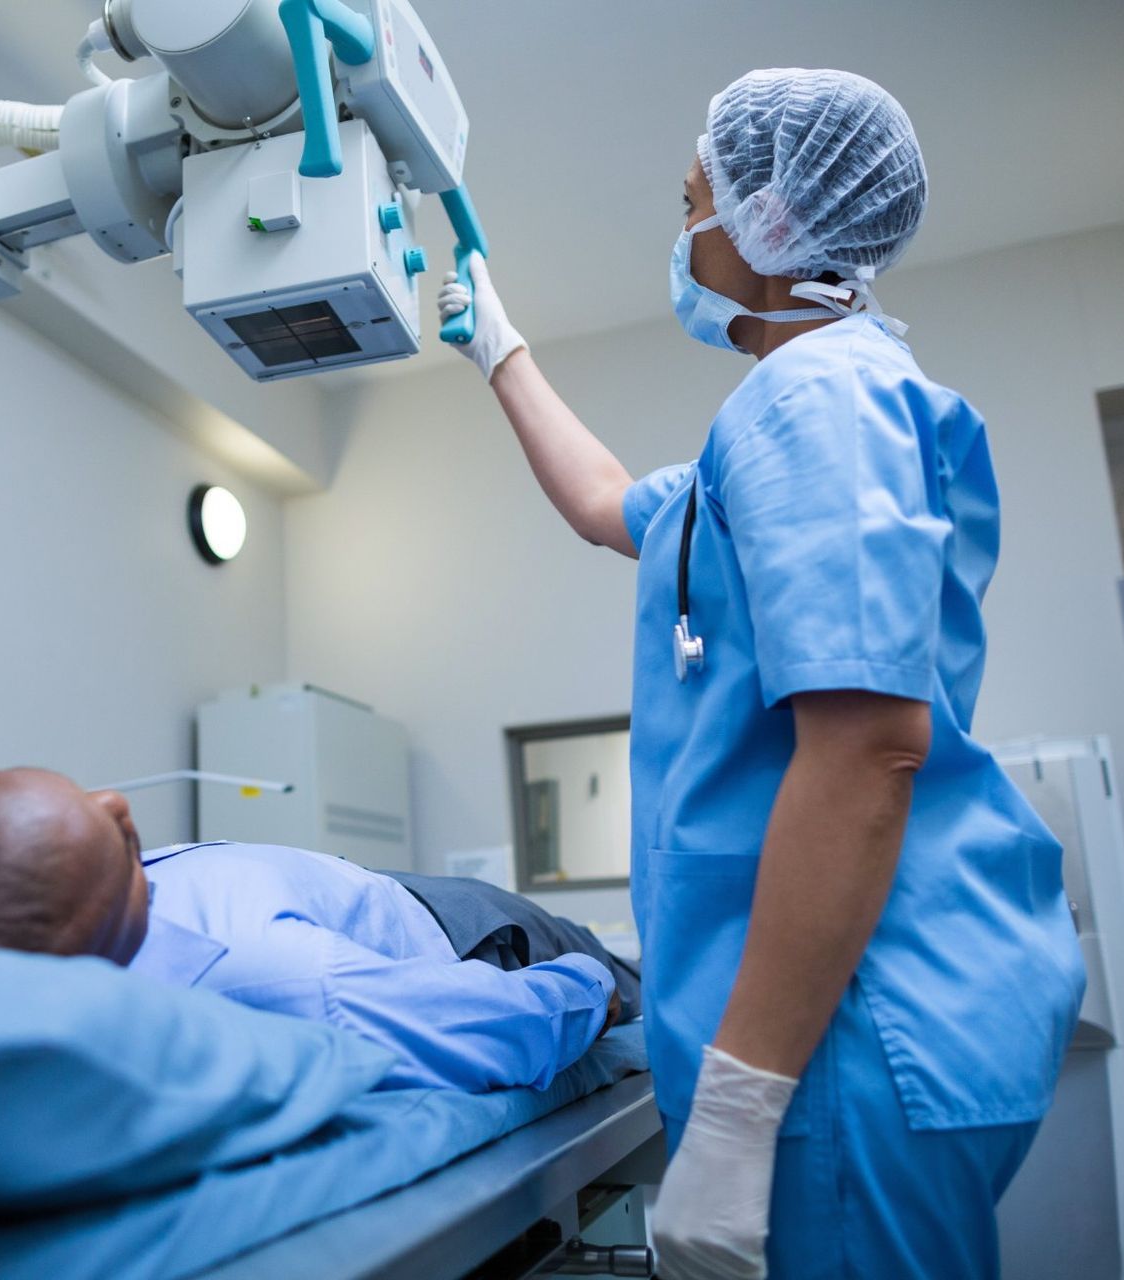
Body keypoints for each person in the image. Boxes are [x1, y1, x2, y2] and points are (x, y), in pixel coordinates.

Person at [438, 68, 1084, 1280]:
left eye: (695, 199)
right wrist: (500, 348)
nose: (681, 228)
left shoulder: (817, 395)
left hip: (842, 1041)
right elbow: (605, 504)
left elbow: (865, 749)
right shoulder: (796, 417)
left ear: (770, 224)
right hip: (845, 1032)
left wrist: (736, 1114)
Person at [0, 767, 639, 1093]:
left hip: (372, 890)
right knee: (624, 972)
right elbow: (511, 1024)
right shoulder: (280, 978)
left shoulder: (73, 912)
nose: (115, 807)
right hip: (466, 931)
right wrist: (594, 990)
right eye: (114, 847)